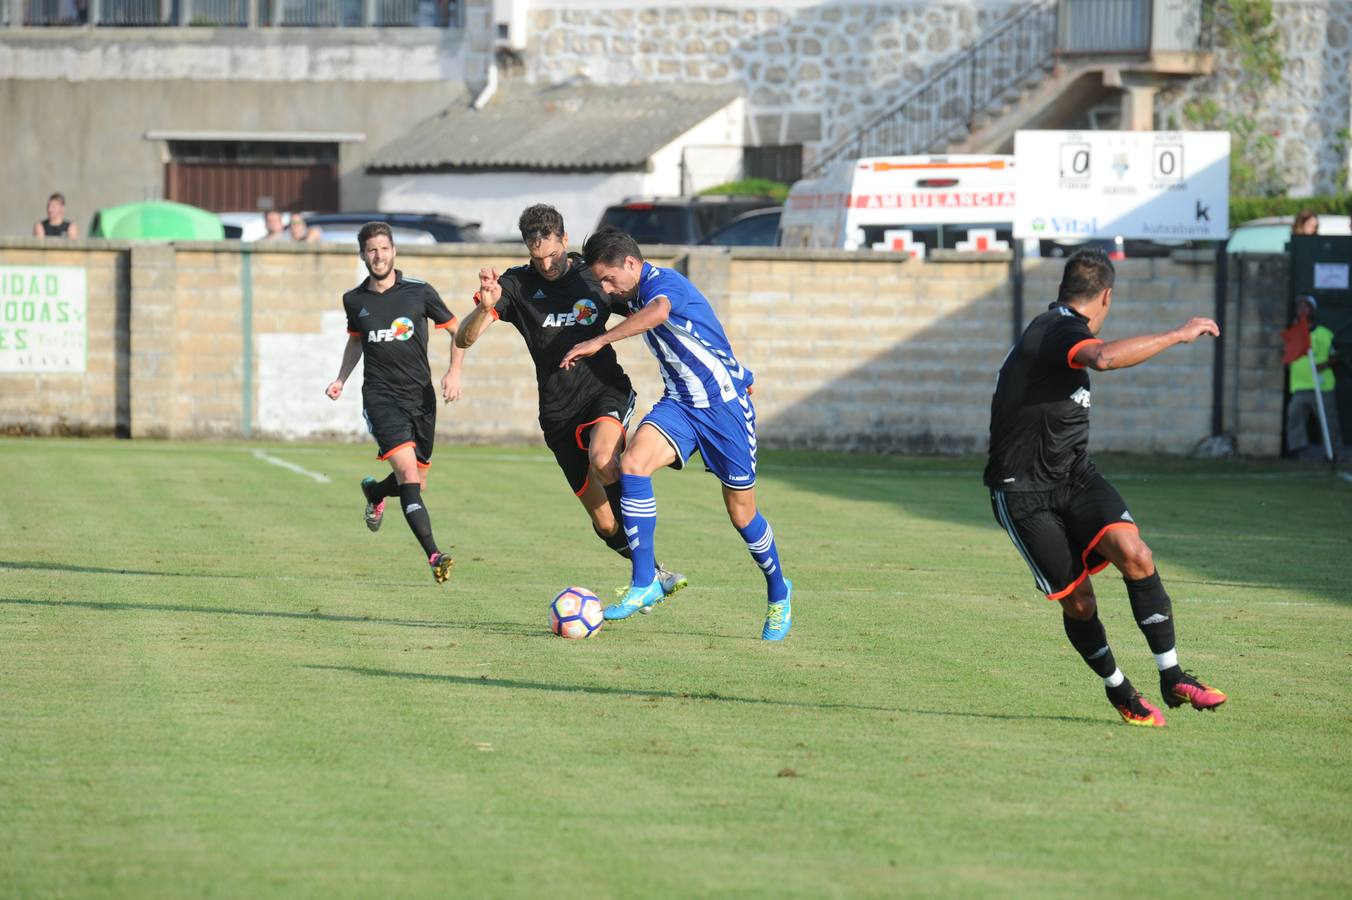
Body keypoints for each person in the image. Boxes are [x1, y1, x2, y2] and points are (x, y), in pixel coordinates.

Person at [984, 248, 1227, 727]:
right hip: (1023, 493)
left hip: (1075, 476)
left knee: (1135, 554)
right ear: (1107, 296)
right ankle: (1120, 690)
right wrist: (1178, 334)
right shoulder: (1057, 330)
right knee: (1080, 601)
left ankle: (1173, 675)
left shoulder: (1053, 329)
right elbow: (1106, 358)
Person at [562, 227, 793, 640]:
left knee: (742, 514)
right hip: (680, 405)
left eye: (610, 279)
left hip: (724, 409)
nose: (607, 289)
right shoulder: (632, 292)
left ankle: (779, 592)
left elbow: (658, 313)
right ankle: (644, 582)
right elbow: (613, 299)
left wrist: (599, 342)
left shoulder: (665, 285)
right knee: (632, 463)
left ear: (631, 264)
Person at [455, 205, 686, 599]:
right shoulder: (516, 285)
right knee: (605, 524)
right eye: (537, 256)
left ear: (565, 240)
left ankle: (644, 579)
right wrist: (485, 307)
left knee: (604, 460)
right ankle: (652, 574)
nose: (546, 264)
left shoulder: (592, 277)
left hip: (604, 391)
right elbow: (464, 338)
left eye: (553, 254)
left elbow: (648, 307)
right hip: (557, 413)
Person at [325, 222, 464, 583]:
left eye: (384, 248)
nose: (378, 256)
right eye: (371, 250)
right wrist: (341, 378)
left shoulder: (419, 292)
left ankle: (374, 490)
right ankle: (435, 554)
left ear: (394, 251)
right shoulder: (355, 300)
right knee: (407, 475)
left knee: (415, 481)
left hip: (421, 398)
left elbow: (457, 331)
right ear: (362, 255)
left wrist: (454, 373)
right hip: (380, 397)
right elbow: (356, 341)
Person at [1284, 295, 1341, 461]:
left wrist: (1323, 365)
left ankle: (1332, 453)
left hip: (1322, 386)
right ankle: (1298, 450)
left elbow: (1335, 357)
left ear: (1313, 310)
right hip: (1300, 385)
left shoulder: (1325, 334)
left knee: (1328, 421)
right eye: (1299, 306)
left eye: (1306, 306)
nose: (1302, 310)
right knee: (1294, 417)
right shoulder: (1293, 333)